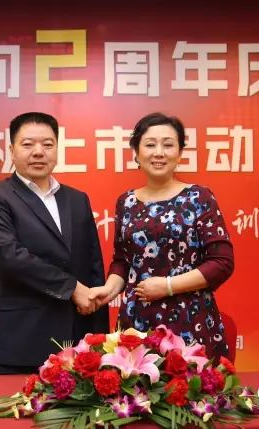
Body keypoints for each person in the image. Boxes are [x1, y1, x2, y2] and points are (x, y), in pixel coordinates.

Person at [89, 112, 234, 361]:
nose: (159, 153)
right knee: (137, 385)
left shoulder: (199, 197)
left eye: (168, 145)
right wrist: (109, 289)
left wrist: (167, 286)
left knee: (191, 384)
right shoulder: (126, 202)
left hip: (190, 320)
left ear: (180, 153)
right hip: (137, 321)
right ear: (136, 153)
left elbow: (222, 263)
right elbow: (123, 260)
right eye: (150, 145)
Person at [0, 112, 108, 374]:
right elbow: (10, 257)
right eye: (28, 144)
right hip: (22, 342)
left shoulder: (77, 199)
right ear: (12, 151)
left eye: (48, 144)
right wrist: (72, 288)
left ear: (57, 149)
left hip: (79, 344)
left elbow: (93, 265)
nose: (38, 152)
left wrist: (99, 339)